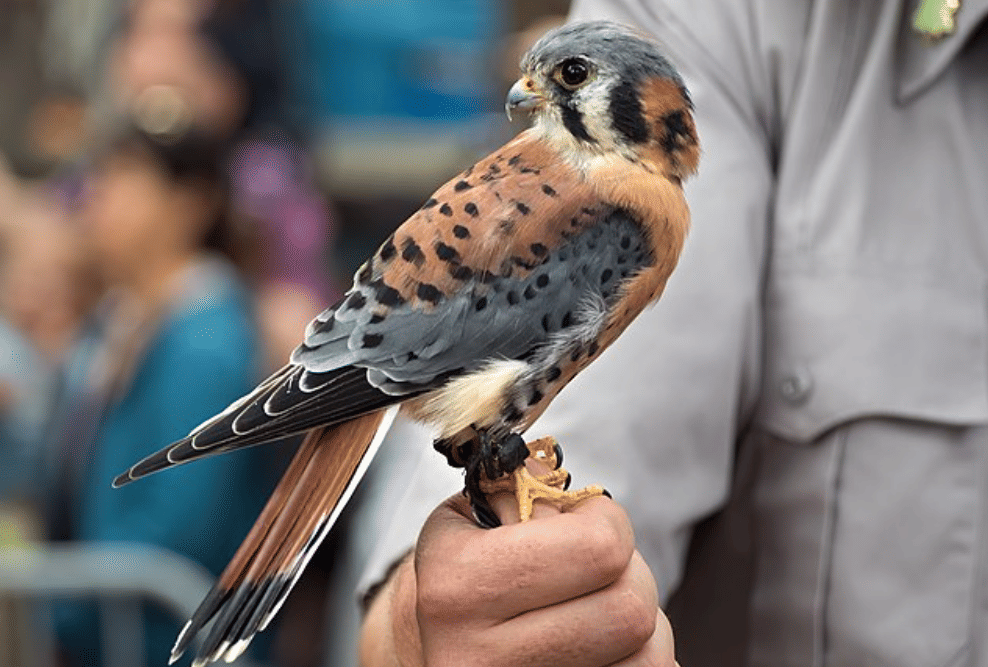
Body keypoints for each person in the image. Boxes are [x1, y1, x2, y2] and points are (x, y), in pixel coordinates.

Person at [355, 1, 988, 666]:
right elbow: (460, 583)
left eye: (566, 78)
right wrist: (454, 620)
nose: (527, 95)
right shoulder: (705, 26)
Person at [46, 126, 279, 667]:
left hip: (170, 644)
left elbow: (177, 526)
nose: (98, 194)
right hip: (107, 632)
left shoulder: (207, 339)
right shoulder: (111, 324)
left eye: (127, 178)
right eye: (100, 176)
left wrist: (50, 605)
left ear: (189, 205)